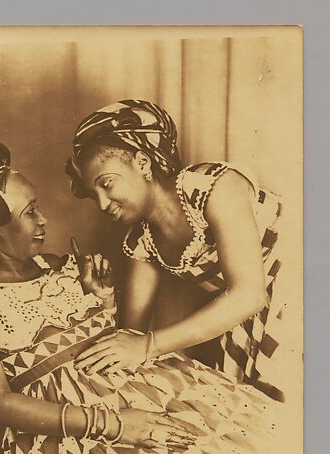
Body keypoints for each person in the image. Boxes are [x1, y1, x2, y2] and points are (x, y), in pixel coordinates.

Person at [0, 134, 282, 454]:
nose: (44, 220)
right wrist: (116, 427)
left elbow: (113, 340)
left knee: (269, 446)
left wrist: (101, 300)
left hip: (146, 385)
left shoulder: (60, 267)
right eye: (30, 212)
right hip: (73, 431)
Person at [66, 99, 283, 401]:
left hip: (298, 293)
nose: (102, 204)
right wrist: (103, 299)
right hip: (242, 322)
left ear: (142, 163)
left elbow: (249, 295)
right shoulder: (141, 241)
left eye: (107, 184)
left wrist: (147, 346)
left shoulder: (213, 185)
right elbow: (131, 338)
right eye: (94, 195)